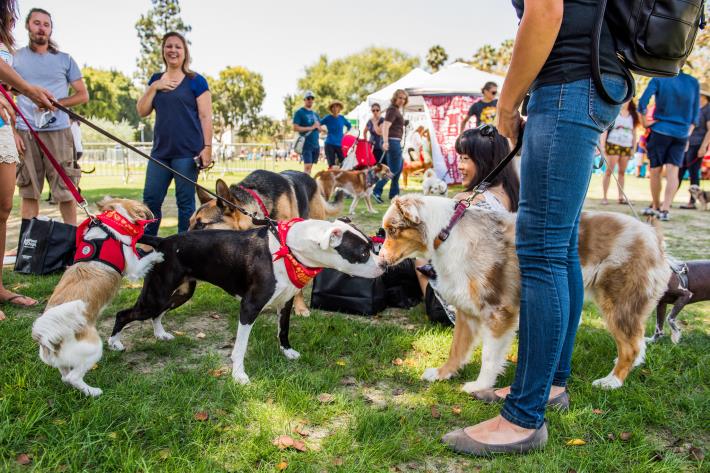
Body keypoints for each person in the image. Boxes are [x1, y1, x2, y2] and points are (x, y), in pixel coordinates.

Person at [441, 0, 625, 456]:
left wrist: (506, 105)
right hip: (590, 82)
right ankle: (549, 386)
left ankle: (523, 417)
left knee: (541, 249)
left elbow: (544, 11)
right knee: (559, 247)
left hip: (567, 85)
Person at [415, 126, 519, 297]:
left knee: (420, 253)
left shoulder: (468, 200)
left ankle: (434, 302)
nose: (460, 166)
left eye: (465, 159)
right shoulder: (513, 193)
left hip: (470, 300)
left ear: (486, 161)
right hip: (504, 293)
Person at [0, 0, 54, 315]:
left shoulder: (6, 33)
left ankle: (0, 287)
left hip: (3, 126)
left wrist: (20, 94)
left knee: (4, 208)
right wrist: (31, 90)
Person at [13, 7, 88, 226]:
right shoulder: (15, 58)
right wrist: (12, 130)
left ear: (51, 30)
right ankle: (29, 245)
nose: (41, 28)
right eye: (37, 23)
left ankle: (70, 244)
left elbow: (82, 95)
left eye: (46, 24)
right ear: (28, 26)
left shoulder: (65, 60)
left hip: (58, 132)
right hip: (26, 132)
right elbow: (6, 94)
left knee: (66, 191)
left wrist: (56, 104)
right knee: (29, 191)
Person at [137, 31, 213, 235]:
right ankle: (147, 246)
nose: (173, 50)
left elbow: (206, 117)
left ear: (185, 52)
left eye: (178, 47)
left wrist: (207, 148)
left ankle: (182, 247)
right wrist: (154, 87)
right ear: (163, 51)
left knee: (185, 204)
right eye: (169, 46)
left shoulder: (196, 81)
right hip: (160, 153)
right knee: (150, 200)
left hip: (187, 154)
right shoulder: (155, 80)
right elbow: (142, 111)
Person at [638, 71, 700, 221]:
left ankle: (655, 207)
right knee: (673, 171)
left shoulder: (660, 77)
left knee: (655, 171)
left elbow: (642, 102)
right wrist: (687, 135)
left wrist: (644, 122)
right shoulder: (692, 82)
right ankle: (665, 210)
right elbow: (695, 114)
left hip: (660, 130)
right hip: (681, 134)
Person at [600, 100, 639, 204]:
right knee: (609, 171)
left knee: (622, 173)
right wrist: (603, 146)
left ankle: (620, 197)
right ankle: (605, 197)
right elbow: (605, 130)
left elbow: (634, 133)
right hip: (613, 144)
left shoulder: (633, 115)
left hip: (626, 146)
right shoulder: (615, 112)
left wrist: (633, 148)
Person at [372, 89, 407, 203]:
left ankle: (394, 195)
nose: (402, 100)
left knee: (398, 168)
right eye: (400, 97)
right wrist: (386, 142)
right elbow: (386, 126)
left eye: (404, 98)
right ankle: (377, 190)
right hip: (392, 142)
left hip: (395, 141)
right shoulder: (392, 109)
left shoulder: (395, 110)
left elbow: (392, 125)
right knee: (394, 169)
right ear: (395, 98)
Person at [678, 90, 710, 209]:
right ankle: (668, 199)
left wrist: (703, 147)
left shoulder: (708, 109)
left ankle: (692, 201)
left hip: (698, 145)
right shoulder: (696, 108)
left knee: (693, 173)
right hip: (688, 144)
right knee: (680, 171)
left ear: (704, 96)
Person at [292, 90, 320, 175]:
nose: (310, 100)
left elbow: (319, 128)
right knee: (307, 168)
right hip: (306, 144)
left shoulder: (315, 114)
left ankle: (307, 185)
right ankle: (306, 186)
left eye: (312, 98)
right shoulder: (299, 112)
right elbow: (295, 127)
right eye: (308, 98)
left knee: (310, 167)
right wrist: (311, 127)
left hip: (316, 144)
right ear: (304, 100)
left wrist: (320, 128)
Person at [320, 99, 351, 168]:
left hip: (340, 144)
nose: (335, 108)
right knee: (331, 165)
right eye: (333, 107)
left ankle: (341, 178)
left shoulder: (342, 118)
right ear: (331, 109)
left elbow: (349, 126)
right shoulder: (328, 118)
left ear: (339, 108)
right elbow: (318, 124)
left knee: (344, 163)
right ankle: (331, 178)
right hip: (329, 143)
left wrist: (345, 134)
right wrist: (324, 130)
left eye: (337, 106)